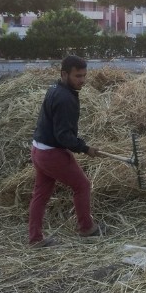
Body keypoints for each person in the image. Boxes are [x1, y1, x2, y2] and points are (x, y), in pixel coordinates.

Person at [28, 55, 102, 247]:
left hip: (38, 149)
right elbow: (64, 136)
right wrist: (85, 148)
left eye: (84, 76)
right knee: (82, 186)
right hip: (52, 153)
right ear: (64, 74)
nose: (82, 80)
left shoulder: (55, 88)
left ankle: (35, 238)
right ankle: (86, 228)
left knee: (41, 194)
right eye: (78, 76)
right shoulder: (65, 98)